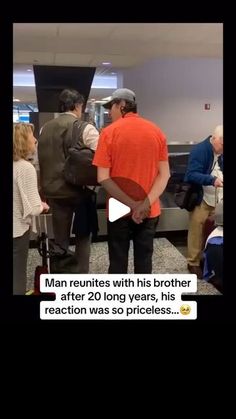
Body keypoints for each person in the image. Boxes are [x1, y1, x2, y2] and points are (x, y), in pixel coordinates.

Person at [93, 88, 170, 273]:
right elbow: (164, 174)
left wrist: (132, 205)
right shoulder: (157, 131)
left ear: (122, 106)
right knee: (144, 262)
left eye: (111, 107)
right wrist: (143, 204)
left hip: (120, 210)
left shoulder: (108, 133)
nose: (109, 112)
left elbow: (103, 177)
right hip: (149, 210)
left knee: (118, 261)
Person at [38, 88, 99, 273]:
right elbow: (103, 156)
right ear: (78, 105)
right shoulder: (84, 127)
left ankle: (60, 275)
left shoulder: (44, 128)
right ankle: (80, 276)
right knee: (82, 235)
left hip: (53, 192)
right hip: (79, 191)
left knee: (60, 239)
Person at [13, 123, 49, 295]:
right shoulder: (25, 168)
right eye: (31, 137)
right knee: (17, 273)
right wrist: (43, 206)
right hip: (17, 229)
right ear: (22, 141)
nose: (35, 140)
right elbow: (33, 208)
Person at [184, 124, 223, 278]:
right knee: (196, 230)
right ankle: (192, 262)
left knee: (214, 230)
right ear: (213, 139)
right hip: (202, 197)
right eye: (222, 144)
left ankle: (209, 258)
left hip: (217, 198)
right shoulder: (200, 150)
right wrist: (211, 180)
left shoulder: (220, 150)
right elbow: (191, 174)